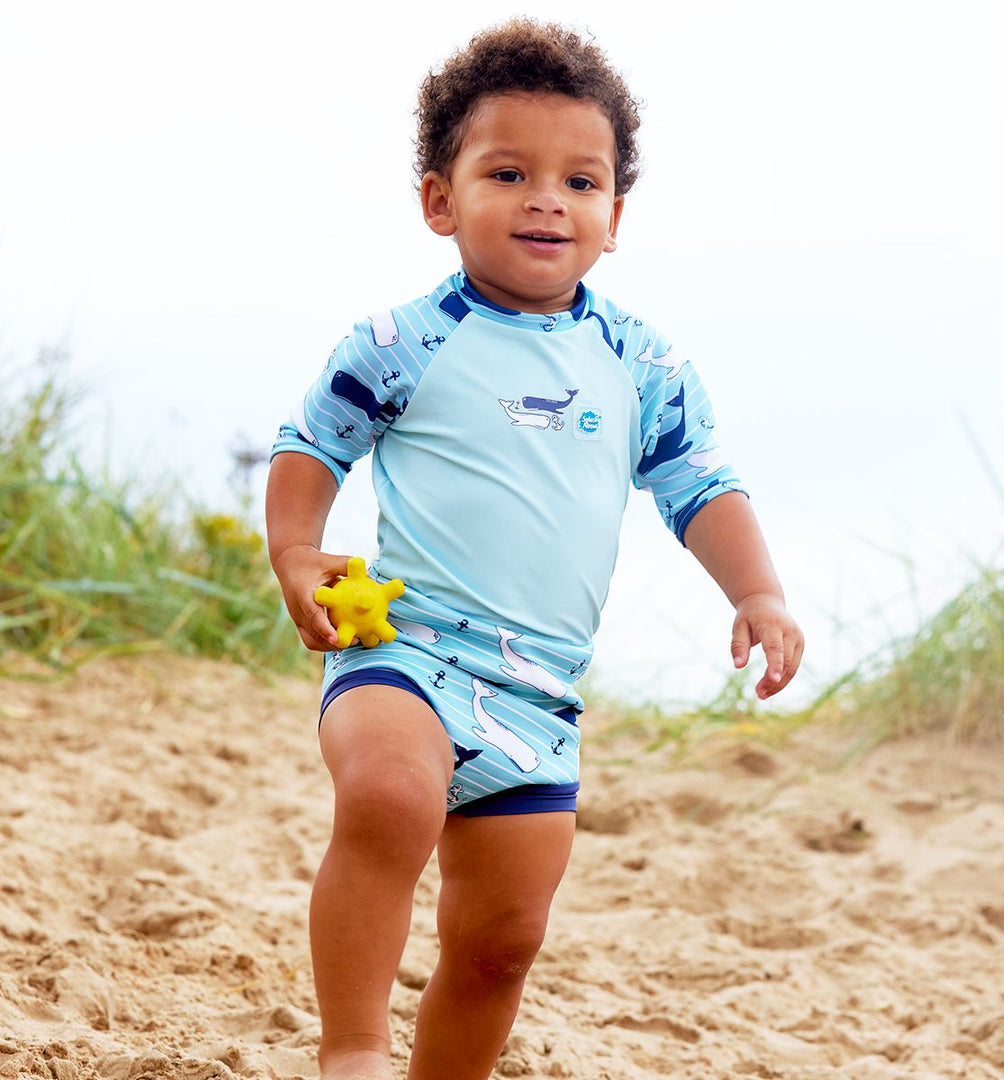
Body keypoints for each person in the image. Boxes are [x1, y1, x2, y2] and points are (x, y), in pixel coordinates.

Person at [265, 18, 803, 1080]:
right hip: (403, 641)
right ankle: (353, 1053)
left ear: (614, 216)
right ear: (439, 200)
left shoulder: (642, 362)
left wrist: (761, 591)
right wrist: (294, 549)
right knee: (389, 799)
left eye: (581, 181)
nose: (547, 199)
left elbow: (700, 482)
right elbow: (313, 442)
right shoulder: (401, 340)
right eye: (508, 172)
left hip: (540, 696)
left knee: (503, 939)